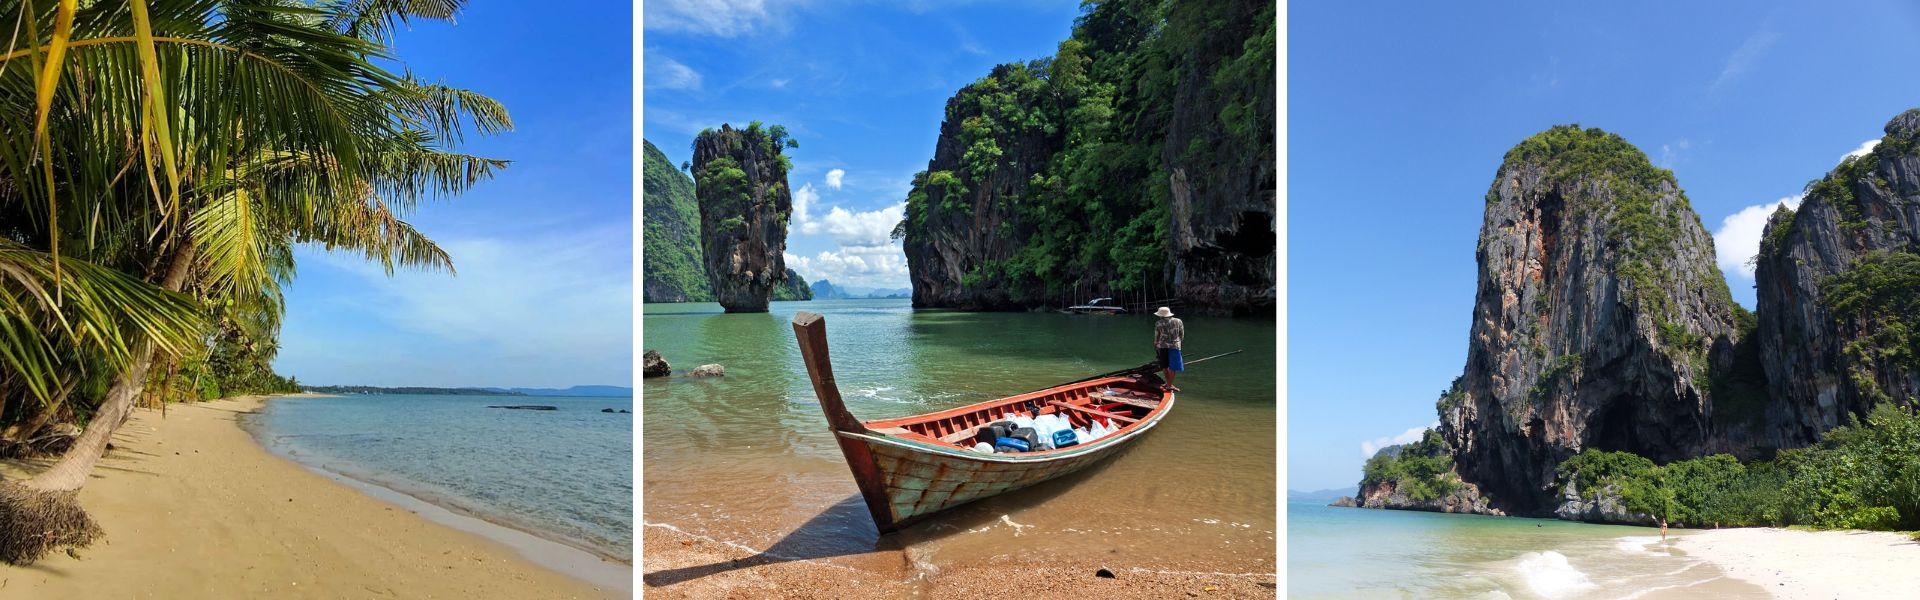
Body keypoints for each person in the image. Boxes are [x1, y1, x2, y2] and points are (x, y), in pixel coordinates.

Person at [1153, 307, 1184, 391]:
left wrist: (1155, 343)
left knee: (1165, 366)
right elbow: (1181, 335)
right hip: (1175, 346)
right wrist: (1179, 342)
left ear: (1161, 315)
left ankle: (1168, 384)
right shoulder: (1178, 321)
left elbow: (1157, 336)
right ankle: (1169, 384)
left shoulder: (1158, 323)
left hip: (1162, 346)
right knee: (1173, 367)